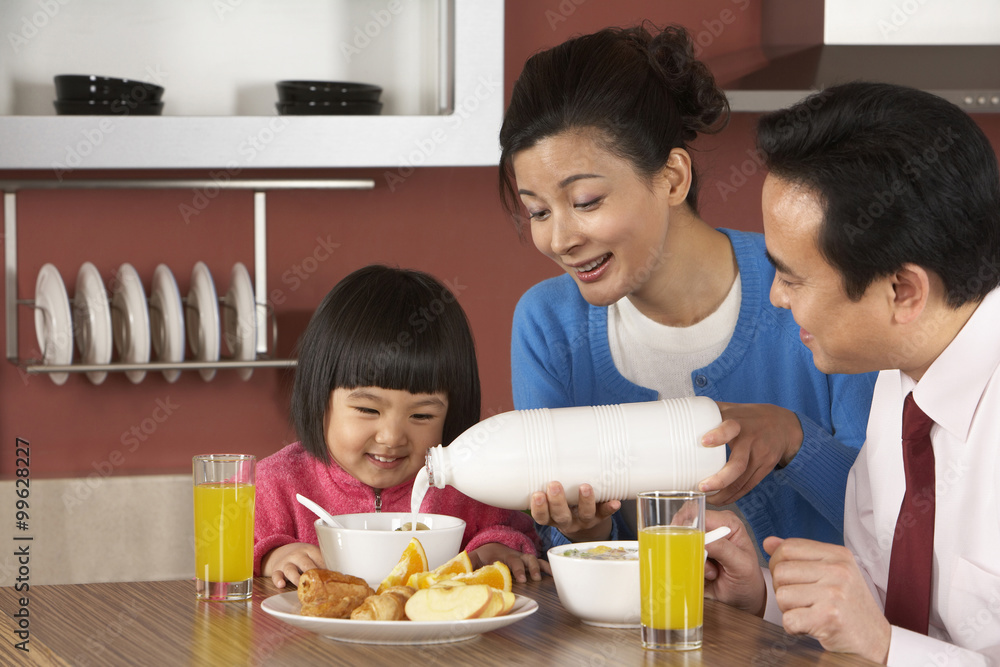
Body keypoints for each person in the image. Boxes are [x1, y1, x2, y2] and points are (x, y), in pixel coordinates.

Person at [498, 23, 877, 554]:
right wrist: (585, 529)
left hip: (811, 634)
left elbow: (894, 519)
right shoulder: (546, 325)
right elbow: (556, 535)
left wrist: (793, 438)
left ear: (673, 178)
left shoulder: (811, 291)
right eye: (538, 211)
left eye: (585, 201)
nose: (560, 239)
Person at [705, 81, 1000, 665]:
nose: (776, 298)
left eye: (793, 278)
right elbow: (879, 602)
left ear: (903, 291)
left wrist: (886, 647)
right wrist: (765, 597)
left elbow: (885, 641)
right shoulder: (902, 376)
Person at [254, 265, 545, 588]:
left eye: (421, 416)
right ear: (319, 396)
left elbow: (515, 532)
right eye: (367, 409)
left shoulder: (470, 485)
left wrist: (495, 549)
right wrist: (272, 557)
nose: (391, 438)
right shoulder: (277, 484)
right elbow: (226, 557)